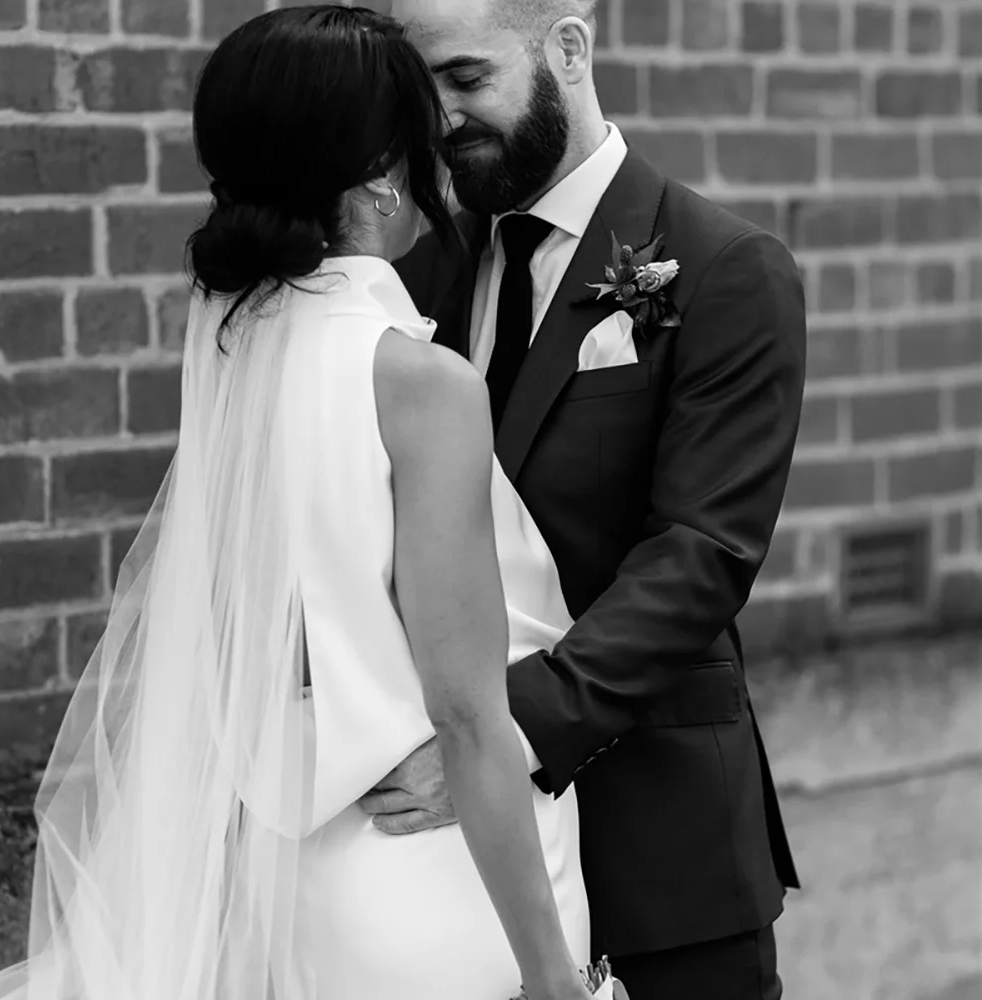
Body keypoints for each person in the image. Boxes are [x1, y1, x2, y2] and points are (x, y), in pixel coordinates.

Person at [0, 8, 600, 1000]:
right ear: (385, 175)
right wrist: (551, 975)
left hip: (301, 889)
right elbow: (470, 718)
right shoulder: (420, 386)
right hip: (444, 886)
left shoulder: (239, 350)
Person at [361, 1, 806, 997]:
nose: (435, 119)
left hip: (661, 836)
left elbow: (702, 553)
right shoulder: (416, 269)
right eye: (414, 89)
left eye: (464, 77)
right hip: (456, 865)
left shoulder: (724, 267)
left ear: (566, 47)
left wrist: (491, 736)